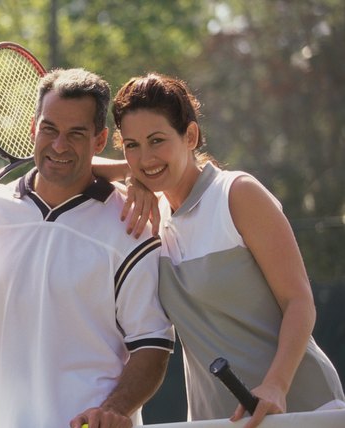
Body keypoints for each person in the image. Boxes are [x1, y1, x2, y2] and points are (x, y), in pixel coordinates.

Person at [0, 68, 175, 428]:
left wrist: (114, 409)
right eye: (50, 129)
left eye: (76, 134)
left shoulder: (133, 225)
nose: (59, 145)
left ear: (99, 139)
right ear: (33, 129)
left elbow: (152, 347)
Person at [107, 72, 345, 427]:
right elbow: (83, 169)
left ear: (190, 135)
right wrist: (131, 175)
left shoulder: (237, 194)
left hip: (300, 409)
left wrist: (276, 386)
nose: (145, 157)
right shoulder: (154, 212)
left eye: (157, 140)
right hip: (216, 421)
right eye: (132, 145)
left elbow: (299, 302)